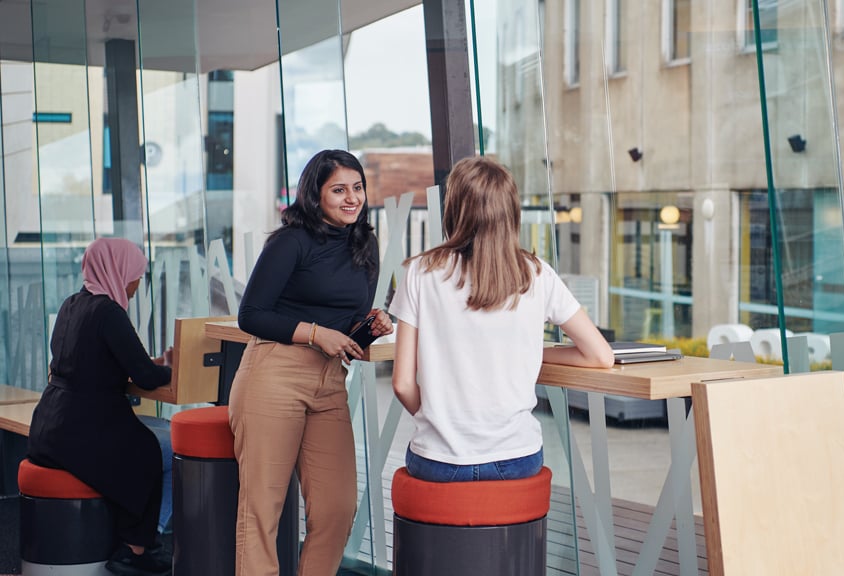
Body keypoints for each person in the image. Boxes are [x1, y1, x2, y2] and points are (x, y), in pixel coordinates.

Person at [390, 156, 614, 482]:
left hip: (439, 460)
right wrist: (535, 353)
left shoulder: (421, 272)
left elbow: (402, 383)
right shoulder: (537, 273)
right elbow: (600, 355)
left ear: (454, 208)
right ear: (511, 212)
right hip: (516, 458)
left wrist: (437, 423)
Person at [230, 149, 393, 576]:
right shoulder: (291, 241)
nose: (351, 198)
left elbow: (346, 322)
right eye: (338, 189)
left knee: (338, 506)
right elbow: (252, 315)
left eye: (357, 188)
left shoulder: (365, 244)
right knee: (262, 508)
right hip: (274, 372)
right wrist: (317, 333)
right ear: (314, 194)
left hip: (329, 380)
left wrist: (369, 326)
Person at [28, 237, 174, 576]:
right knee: (158, 452)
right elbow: (145, 376)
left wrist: (150, 365)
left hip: (48, 427)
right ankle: (136, 548)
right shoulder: (109, 311)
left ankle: (133, 538)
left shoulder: (72, 305)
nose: (138, 284)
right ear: (119, 272)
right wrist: (171, 368)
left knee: (145, 442)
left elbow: (94, 360)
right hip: (79, 433)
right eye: (137, 275)